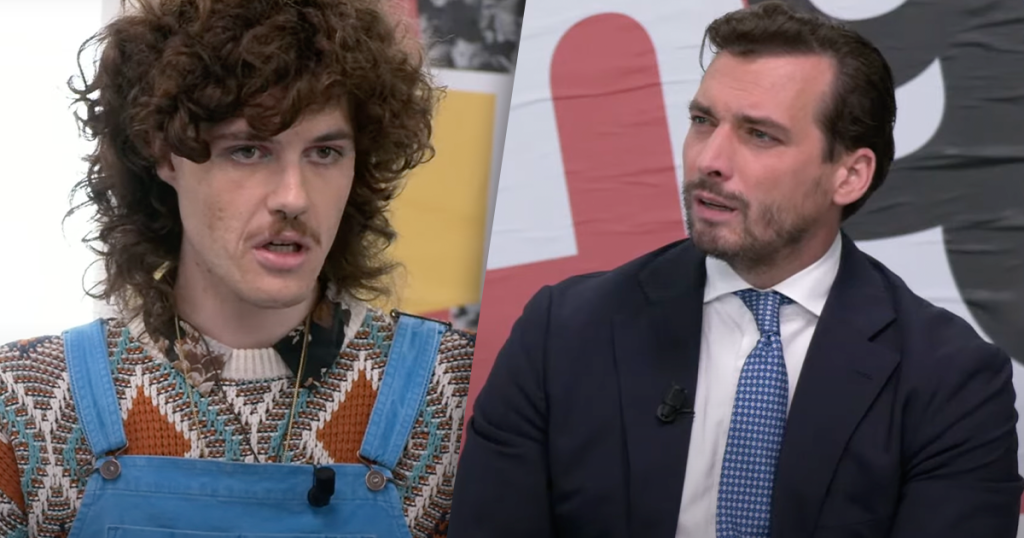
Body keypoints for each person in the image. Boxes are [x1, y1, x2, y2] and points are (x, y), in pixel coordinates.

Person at [448, 2, 1022, 537]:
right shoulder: (563, 331)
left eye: (759, 134)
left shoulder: (953, 382)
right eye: (703, 120)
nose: (709, 160)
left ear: (849, 175)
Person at [0, 0, 474, 536]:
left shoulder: (456, 391)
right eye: (248, 151)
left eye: (324, 153)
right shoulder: (28, 402)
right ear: (165, 155)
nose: (293, 197)